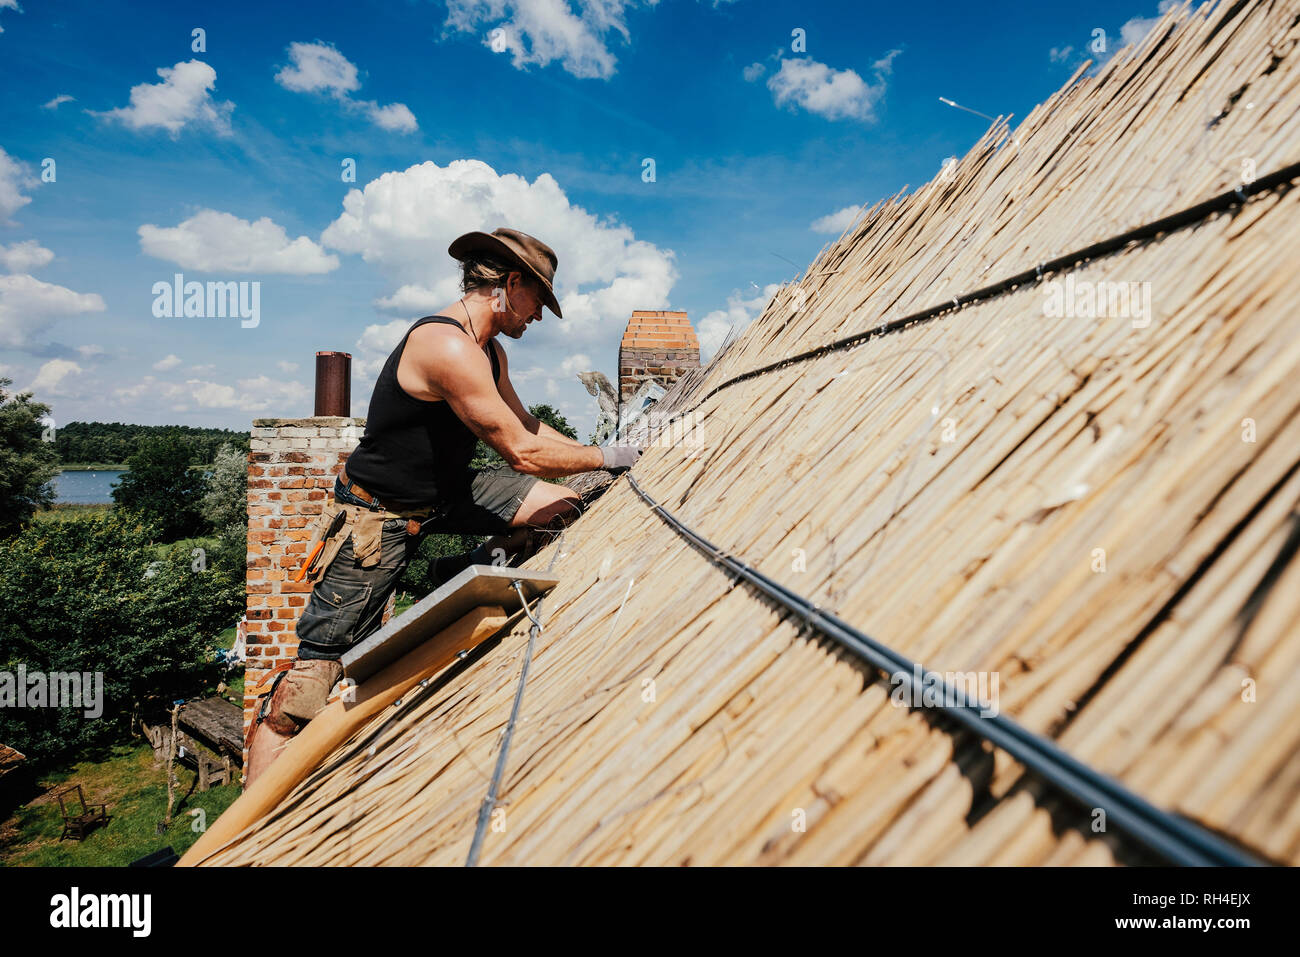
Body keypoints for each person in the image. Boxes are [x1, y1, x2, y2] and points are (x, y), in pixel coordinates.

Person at [245, 227, 642, 783]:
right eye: (538, 301)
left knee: (563, 507)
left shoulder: (490, 351)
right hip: (377, 516)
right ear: (510, 283)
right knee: (304, 693)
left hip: (449, 495)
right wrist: (609, 454)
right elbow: (523, 452)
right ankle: (249, 833)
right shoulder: (446, 345)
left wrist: (599, 455)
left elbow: (527, 425)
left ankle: (464, 568)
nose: (540, 317)